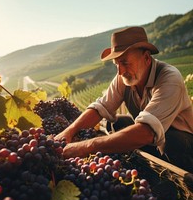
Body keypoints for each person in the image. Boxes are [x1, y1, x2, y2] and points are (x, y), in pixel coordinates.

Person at [55, 26, 193, 172]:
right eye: (117, 65)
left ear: (146, 58)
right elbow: (101, 107)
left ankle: (176, 182)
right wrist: (69, 131)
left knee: (171, 141)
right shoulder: (124, 77)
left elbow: (147, 132)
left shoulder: (169, 78)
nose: (120, 72)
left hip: (183, 145)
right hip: (153, 141)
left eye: (125, 63)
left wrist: (87, 147)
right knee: (117, 122)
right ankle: (144, 166)